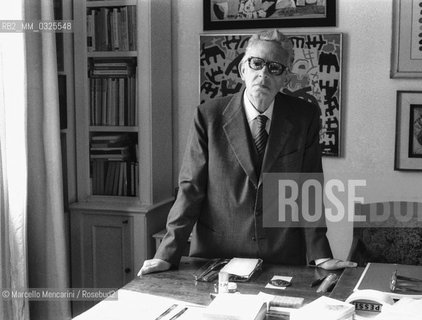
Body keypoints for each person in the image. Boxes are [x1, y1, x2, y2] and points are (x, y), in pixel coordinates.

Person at [138, 29, 356, 276]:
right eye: (257, 63)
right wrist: (166, 254)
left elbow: (308, 190)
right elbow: (191, 190)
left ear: (285, 77)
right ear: (243, 69)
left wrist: (321, 255)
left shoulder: (304, 117)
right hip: (217, 254)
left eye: (274, 67)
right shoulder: (208, 116)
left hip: (281, 256)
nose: (263, 73)